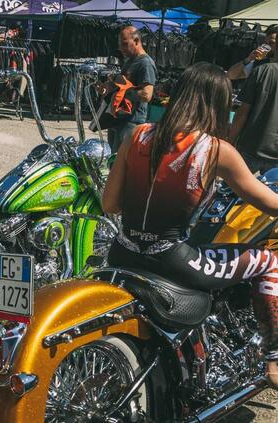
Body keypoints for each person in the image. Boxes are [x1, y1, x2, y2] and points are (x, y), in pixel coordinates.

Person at [102, 62, 278, 387]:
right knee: (269, 261)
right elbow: (270, 203)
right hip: (172, 260)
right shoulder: (215, 150)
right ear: (219, 103)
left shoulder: (137, 135)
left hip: (122, 252)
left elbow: (110, 204)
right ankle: (274, 359)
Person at [229, 39, 278, 174]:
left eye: (272, 42)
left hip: (252, 146)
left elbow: (242, 112)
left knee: (232, 185)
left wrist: (230, 141)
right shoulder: (260, 67)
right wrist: (249, 59)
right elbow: (232, 74)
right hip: (262, 149)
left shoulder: (262, 71)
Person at [106, 26, 157, 153]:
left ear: (136, 41)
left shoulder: (145, 63)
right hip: (119, 119)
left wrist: (123, 91)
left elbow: (146, 95)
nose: (121, 48)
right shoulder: (130, 60)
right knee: (113, 158)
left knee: (121, 159)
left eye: (124, 44)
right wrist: (110, 86)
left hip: (131, 122)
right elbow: (124, 83)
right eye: (120, 45)